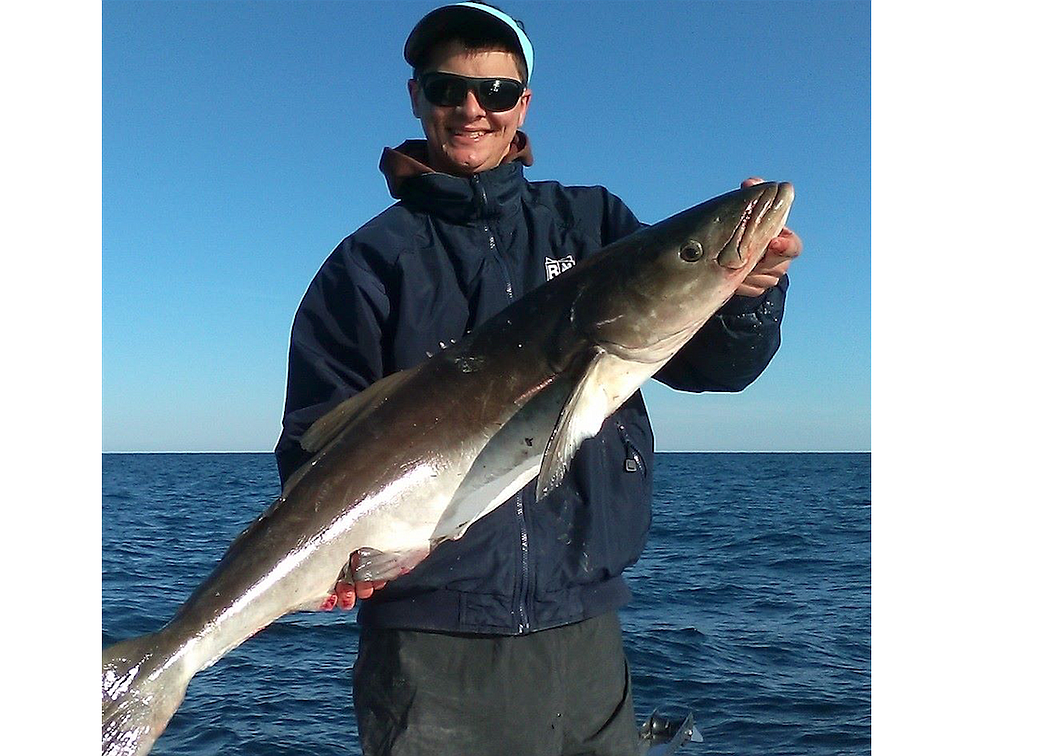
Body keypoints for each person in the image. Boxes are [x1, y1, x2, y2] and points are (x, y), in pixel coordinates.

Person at [274, 3, 802, 755]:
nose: (470, 109)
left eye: (495, 92)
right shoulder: (367, 265)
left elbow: (717, 369)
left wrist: (747, 293)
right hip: (431, 652)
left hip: (585, 634)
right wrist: (347, 555)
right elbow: (313, 439)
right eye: (446, 88)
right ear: (417, 97)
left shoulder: (591, 226)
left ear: (523, 104)